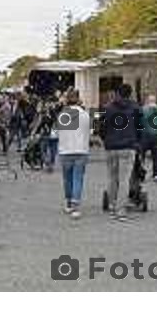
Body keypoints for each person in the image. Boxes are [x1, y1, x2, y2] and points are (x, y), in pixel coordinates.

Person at [99, 83, 143, 221]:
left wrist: (106, 139)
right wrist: (137, 142)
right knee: (125, 179)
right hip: (128, 146)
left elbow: (101, 127)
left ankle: (112, 206)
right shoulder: (136, 108)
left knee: (112, 177)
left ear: (118, 93)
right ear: (130, 94)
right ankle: (121, 210)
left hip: (111, 147)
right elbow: (140, 128)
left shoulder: (108, 108)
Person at [57, 89, 90, 219]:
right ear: (78, 99)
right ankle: (76, 207)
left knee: (67, 178)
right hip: (81, 150)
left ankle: (69, 203)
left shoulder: (63, 115)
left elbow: (60, 133)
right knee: (78, 178)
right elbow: (88, 131)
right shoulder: (85, 114)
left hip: (65, 151)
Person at [141, 94, 157, 181]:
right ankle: (156, 174)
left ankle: (141, 172)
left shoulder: (143, 110)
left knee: (142, 155)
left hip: (145, 135)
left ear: (147, 101)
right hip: (156, 135)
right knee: (155, 155)